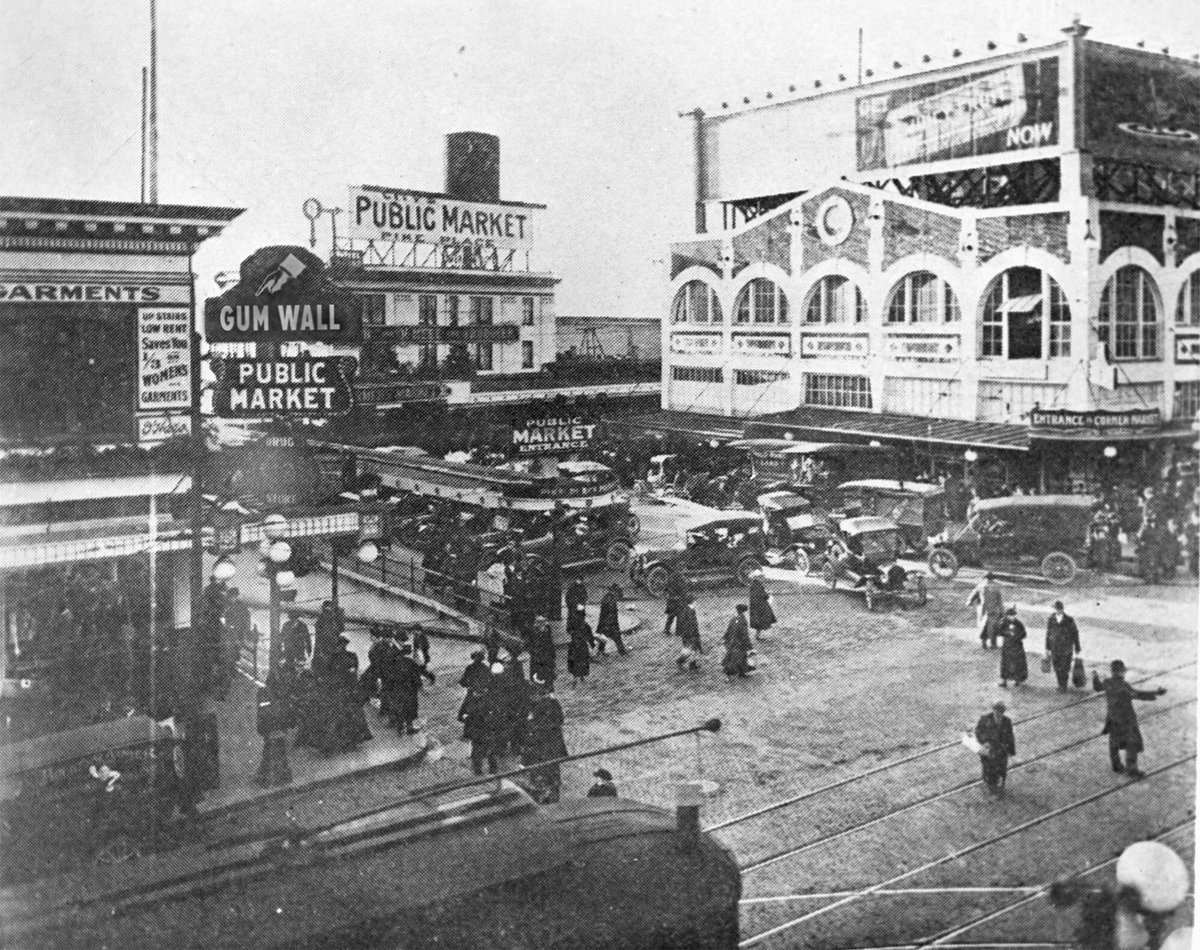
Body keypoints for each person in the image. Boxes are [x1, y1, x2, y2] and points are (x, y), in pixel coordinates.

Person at [1093, 660, 1166, 778]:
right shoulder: (1123, 685)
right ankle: (1132, 769)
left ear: (1112, 671)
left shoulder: (1107, 682)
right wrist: (1155, 693)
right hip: (1126, 720)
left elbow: (1097, 687)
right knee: (1132, 742)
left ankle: (1116, 765)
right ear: (1122, 672)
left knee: (1114, 742)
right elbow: (1137, 694)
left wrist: (1095, 677)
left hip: (1112, 718)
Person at [523, 680, 569, 803]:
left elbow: (556, 721)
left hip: (544, 746)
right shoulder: (552, 704)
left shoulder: (544, 706)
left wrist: (534, 724)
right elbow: (560, 721)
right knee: (551, 771)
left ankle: (547, 796)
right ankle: (551, 795)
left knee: (545, 771)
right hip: (549, 745)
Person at [459, 663, 500, 775]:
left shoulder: (472, 697)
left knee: (479, 750)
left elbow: (464, 712)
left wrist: (465, 718)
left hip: (479, 729)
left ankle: (481, 770)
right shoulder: (488, 697)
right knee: (489, 749)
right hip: (485, 728)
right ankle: (491, 769)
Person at [975, 700, 1016, 794]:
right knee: (988, 767)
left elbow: (1010, 736)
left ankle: (999, 785)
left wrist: (1011, 750)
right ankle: (989, 785)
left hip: (1001, 749)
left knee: (1001, 767)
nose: (999, 714)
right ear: (994, 709)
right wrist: (984, 741)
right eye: (997, 711)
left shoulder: (1007, 721)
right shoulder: (985, 719)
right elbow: (978, 731)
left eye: (1001, 712)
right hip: (988, 748)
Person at [1045, 601, 1081, 692]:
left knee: (1065, 667)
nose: (1058, 611)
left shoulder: (1069, 620)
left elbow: (1075, 633)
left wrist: (1077, 647)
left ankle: (1063, 686)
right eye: (1056, 609)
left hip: (1066, 648)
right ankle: (1060, 684)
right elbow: (1048, 634)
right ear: (1054, 609)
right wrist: (1047, 648)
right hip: (1054, 647)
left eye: (1060, 609)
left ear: (1062, 609)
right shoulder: (1051, 619)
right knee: (1056, 666)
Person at [967, 572, 1004, 649]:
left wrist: (969, 602)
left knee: (984, 626)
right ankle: (993, 644)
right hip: (995, 610)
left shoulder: (980, 586)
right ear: (993, 578)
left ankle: (984, 643)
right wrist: (1002, 611)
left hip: (983, 610)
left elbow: (973, 595)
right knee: (994, 626)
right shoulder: (996, 586)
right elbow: (999, 600)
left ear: (985, 578)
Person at [998, 606, 1027, 689]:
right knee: (1005, 663)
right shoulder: (1004, 622)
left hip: (1017, 646)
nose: (1012, 617)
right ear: (1007, 616)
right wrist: (1008, 633)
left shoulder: (1018, 623)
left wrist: (1017, 635)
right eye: (1010, 615)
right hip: (1007, 646)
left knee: (1017, 663)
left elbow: (1024, 634)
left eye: (1013, 615)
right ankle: (1004, 681)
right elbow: (999, 632)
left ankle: (1017, 680)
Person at [722, 604, 754, 679]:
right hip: (740, 643)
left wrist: (725, 638)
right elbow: (744, 634)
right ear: (744, 611)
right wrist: (749, 645)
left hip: (732, 641)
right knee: (738, 658)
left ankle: (741, 673)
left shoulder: (733, 618)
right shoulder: (743, 620)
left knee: (736, 657)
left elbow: (728, 630)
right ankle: (730, 675)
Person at [596, 583, 627, 656]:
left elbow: (602, 614)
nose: (619, 594)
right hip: (610, 623)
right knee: (617, 637)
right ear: (615, 591)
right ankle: (622, 652)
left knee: (604, 638)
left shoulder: (607, 597)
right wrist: (613, 625)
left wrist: (600, 626)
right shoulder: (611, 600)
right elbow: (612, 614)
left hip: (605, 622)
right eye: (618, 592)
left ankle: (600, 651)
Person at [675, 594, 703, 672]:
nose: (696, 602)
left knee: (692, 649)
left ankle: (690, 664)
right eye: (695, 601)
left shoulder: (689, 609)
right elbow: (685, 622)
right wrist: (689, 633)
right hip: (689, 633)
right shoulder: (688, 610)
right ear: (692, 602)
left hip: (691, 633)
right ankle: (684, 662)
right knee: (691, 648)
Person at [529, 614, 556, 689]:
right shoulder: (533, 631)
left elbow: (550, 641)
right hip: (537, 656)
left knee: (548, 674)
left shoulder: (547, 629)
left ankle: (549, 690)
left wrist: (553, 653)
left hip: (547, 655)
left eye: (543, 622)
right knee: (537, 674)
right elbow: (530, 643)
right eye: (539, 622)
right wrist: (534, 652)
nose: (542, 625)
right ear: (537, 623)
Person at [747, 570, 776, 641]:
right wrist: (768, 595)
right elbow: (761, 595)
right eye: (761, 576)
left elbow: (757, 594)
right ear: (757, 577)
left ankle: (758, 635)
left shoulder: (753, 584)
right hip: (760, 606)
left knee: (758, 621)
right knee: (761, 620)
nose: (762, 578)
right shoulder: (758, 585)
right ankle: (757, 636)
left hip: (756, 605)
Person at [566, 613, 592, 686]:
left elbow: (590, 636)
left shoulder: (586, 626)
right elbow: (568, 630)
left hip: (582, 646)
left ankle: (582, 677)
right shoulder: (573, 625)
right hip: (574, 646)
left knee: (583, 661)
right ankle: (575, 678)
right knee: (574, 661)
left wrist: (590, 643)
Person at [663, 568, 688, 636]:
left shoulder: (670, 577)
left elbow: (665, 589)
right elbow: (684, 591)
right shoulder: (682, 579)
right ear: (682, 569)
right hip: (679, 601)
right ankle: (678, 632)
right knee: (680, 616)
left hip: (670, 600)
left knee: (670, 616)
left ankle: (666, 630)